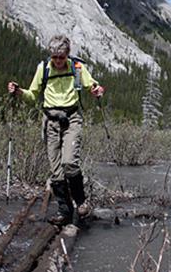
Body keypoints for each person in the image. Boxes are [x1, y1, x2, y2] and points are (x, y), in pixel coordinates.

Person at [8, 35, 104, 225]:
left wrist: (97, 90)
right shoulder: (43, 68)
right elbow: (32, 95)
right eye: (55, 57)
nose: (58, 61)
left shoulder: (77, 68)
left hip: (72, 118)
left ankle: (81, 203)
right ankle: (64, 211)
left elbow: (91, 85)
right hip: (50, 121)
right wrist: (18, 92)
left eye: (61, 57)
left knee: (69, 163)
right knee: (56, 171)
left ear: (67, 55)